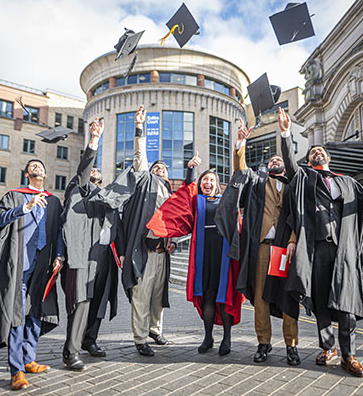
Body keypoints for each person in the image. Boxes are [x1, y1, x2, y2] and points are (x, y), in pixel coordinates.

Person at [279, 108, 363, 377]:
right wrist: (285, 134)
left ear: (328, 158)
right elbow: (292, 168)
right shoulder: (305, 179)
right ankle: (327, 346)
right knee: (320, 301)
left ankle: (348, 354)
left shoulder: (349, 183)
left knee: (346, 302)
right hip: (316, 248)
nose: (316, 154)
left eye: (320, 152)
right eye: (312, 153)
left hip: (344, 250)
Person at [0, 159, 64, 390]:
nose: (38, 167)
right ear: (27, 175)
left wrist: (60, 256)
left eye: (41, 165)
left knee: (35, 314)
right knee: (17, 316)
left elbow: (60, 231)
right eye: (33, 166)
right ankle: (16, 370)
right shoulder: (14, 196)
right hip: (18, 266)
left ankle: (29, 359)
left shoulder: (54, 201)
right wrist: (26, 207)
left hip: (43, 267)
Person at [215, 111, 300, 366]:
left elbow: (299, 216)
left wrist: (285, 133)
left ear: (284, 164)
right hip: (262, 249)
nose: (275, 161)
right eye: (271, 159)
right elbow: (240, 168)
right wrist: (240, 144)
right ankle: (263, 343)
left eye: (278, 158)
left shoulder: (294, 183)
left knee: (288, 298)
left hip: (286, 249)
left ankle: (291, 346)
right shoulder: (256, 181)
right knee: (261, 297)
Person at [147, 152, 245, 355]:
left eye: (211, 180)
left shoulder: (225, 200)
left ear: (217, 185)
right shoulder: (196, 201)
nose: (207, 182)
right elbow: (186, 192)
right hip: (203, 254)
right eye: (204, 180)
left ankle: (226, 338)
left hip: (223, 255)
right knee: (208, 296)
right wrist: (191, 169)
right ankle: (208, 337)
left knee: (224, 296)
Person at [61, 119, 125, 371]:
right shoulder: (77, 192)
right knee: (82, 301)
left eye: (99, 180)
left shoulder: (107, 201)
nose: (95, 183)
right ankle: (70, 351)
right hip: (83, 255)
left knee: (98, 301)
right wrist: (94, 141)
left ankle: (90, 340)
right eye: (92, 179)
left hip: (106, 257)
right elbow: (84, 170)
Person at [121, 105, 176, 357]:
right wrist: (139, 128)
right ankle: (140, 338)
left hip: (164, 253)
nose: (160, 169)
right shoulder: (145, 182)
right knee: (141, 296)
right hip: (144, 250)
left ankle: (155, 330)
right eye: (156, 167)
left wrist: (174, 240)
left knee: (157, 296)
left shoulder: (171, 194)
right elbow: (140, 158)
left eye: (163, 169)